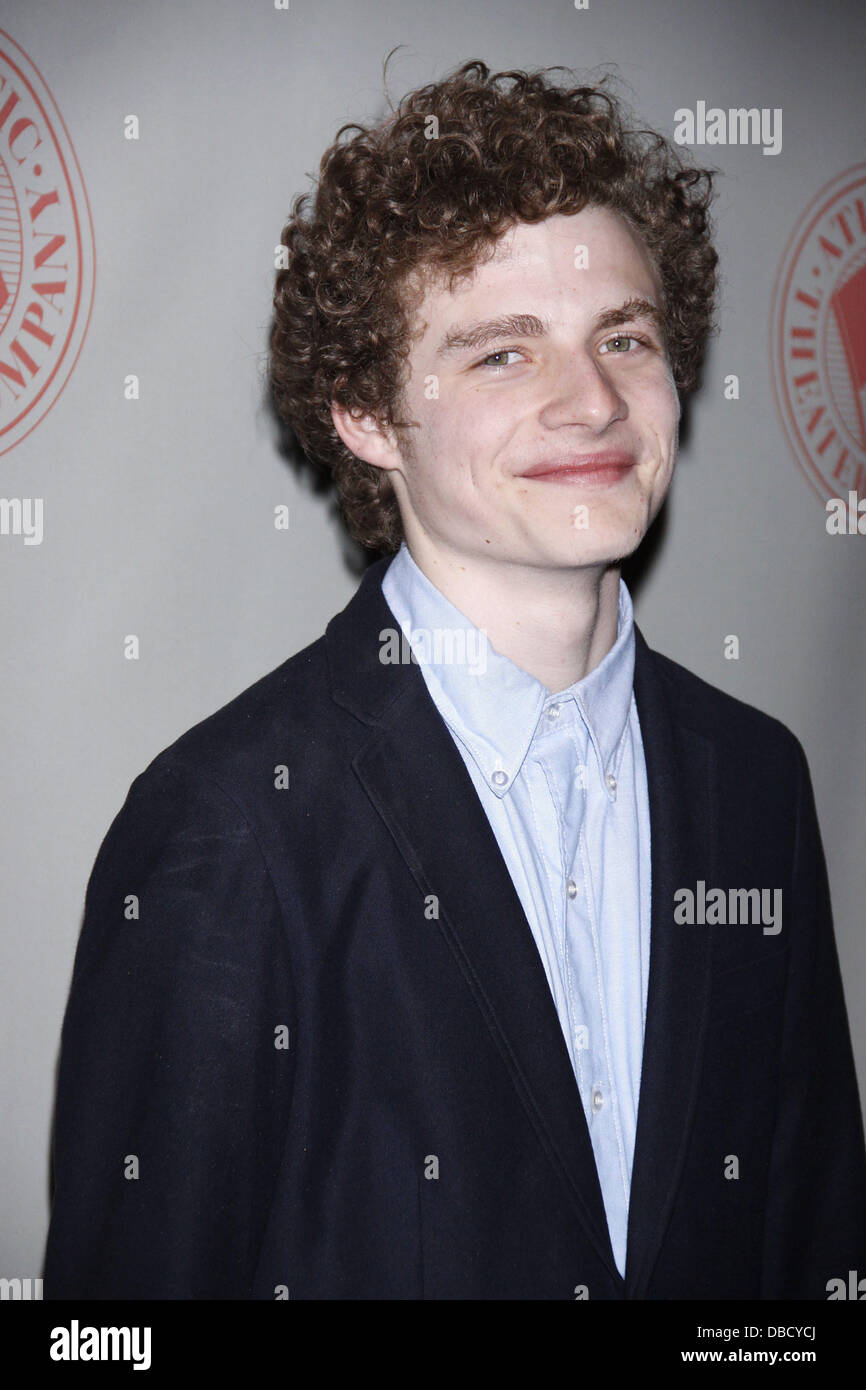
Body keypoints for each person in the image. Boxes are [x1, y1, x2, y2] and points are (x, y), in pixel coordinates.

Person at [44, 59, 866, 1300]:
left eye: (623, 338)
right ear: (368, 416)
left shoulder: (753, 778)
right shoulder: (226, 825)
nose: (589, 401)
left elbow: (809, 1262)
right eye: (500, 356)